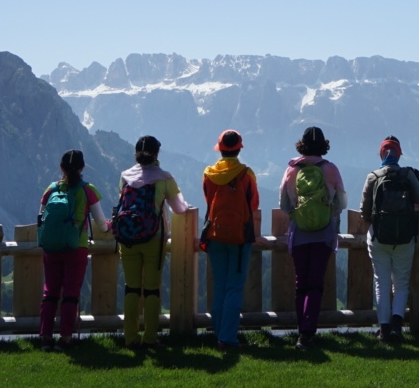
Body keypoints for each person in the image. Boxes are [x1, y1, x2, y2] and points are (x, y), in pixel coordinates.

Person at [110, 135, 191, 349]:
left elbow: (121, 199)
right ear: (157, 154)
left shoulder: (125, 176)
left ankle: (130, 338)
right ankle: (150, 338)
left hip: (127, 238)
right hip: (153, 238)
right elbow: (180, 208)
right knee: (152, 289)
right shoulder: (163, 177)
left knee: (131, 288)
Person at [280, 126, 347, 348]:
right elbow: (342, 202)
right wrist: (329, 213)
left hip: (299, 233)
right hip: (324, 233)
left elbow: (284, 204)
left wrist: (298, 215)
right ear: (324, 145)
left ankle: (301, 330)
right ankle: (308, 332)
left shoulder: (291, 170)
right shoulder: (330, 169)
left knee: (301, 284)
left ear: (302, 143)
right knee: (316, 284)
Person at [36, 149, 107, 349]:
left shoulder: (50, 189)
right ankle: (66, 338)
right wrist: (110, 226)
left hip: (51, 247)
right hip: (77, 247)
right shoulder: (87, 189)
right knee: (70, 293)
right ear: (82, 167)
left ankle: (45, 338)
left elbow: (41, 218)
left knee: (50, 292)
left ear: (61, 168)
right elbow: (101, 224)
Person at [359, 136, 419, 342]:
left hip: (379, 238)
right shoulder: (408, 175)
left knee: (382, 283)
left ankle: (384, 329)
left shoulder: (373, 177)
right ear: (399, 154)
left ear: (381, 154)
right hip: (404, 238)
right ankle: (397, 326)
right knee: (401, 284)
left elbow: (364, 211)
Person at [203, 129, 261, 349]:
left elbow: (208, 200)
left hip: (215, 234)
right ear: (238, 149)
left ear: (220, 150)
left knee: (220, 284)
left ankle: (218, 332)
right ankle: (227, 338)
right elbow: (253, 204)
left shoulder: (208, 174)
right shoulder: (246, 174)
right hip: (239, 236)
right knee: (234, 287)